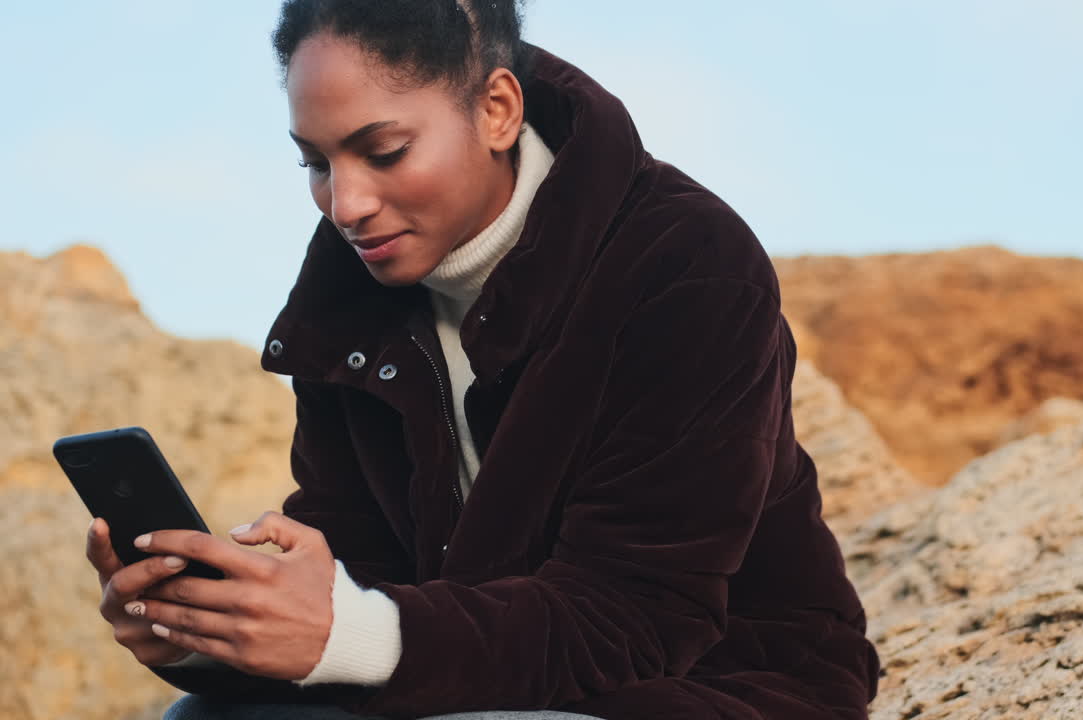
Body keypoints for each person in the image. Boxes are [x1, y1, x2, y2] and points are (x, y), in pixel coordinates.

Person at [84, 1, 881, 718]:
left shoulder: (686, 264)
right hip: (474, 678)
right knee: (205, 717)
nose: (347, 205)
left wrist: (350, 633)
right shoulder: (345, 298)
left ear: (497, 109)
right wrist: (205, 636)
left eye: (385, 151)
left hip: (714, 683)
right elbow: (360, 575)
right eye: (316, 164)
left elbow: (638, 615)